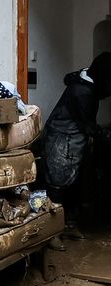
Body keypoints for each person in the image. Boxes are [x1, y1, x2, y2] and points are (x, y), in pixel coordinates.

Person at [38, 52, 111, 251]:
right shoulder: (82, 92)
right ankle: (51, 233)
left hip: (73, 138)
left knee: (73, 185)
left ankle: (68, 225)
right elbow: (88, 125)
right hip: (61, 139)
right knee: (57, 187)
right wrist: (106, 136)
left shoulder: (86, 80)